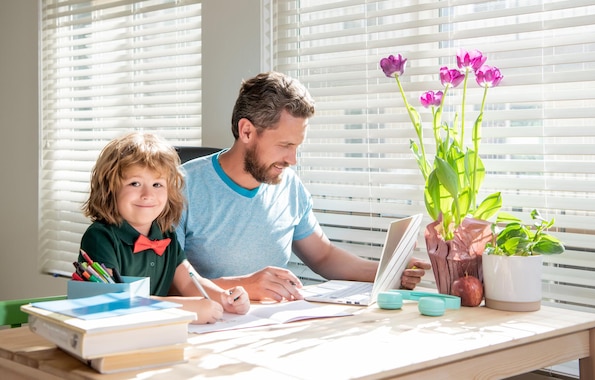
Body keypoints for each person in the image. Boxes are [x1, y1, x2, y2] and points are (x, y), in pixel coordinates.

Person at [176, 71, 432, 302]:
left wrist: (388, 271)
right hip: (209, 329)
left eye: (297, 147)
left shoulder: (287, 185)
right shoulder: (180, 188)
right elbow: (164, 283)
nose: (292, 160)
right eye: (285, 145)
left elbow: (323, 256)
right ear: (246, 132)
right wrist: (244, 286)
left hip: (271, 326)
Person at [78, 132, 250, 324]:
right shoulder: (100, 237)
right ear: (110, 189)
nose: (147, 194)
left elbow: (189, 282)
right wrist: (183, 309)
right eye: (135, 183)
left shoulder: (166, 233)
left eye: (157, 184)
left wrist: (224, 297)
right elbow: (115, 304)